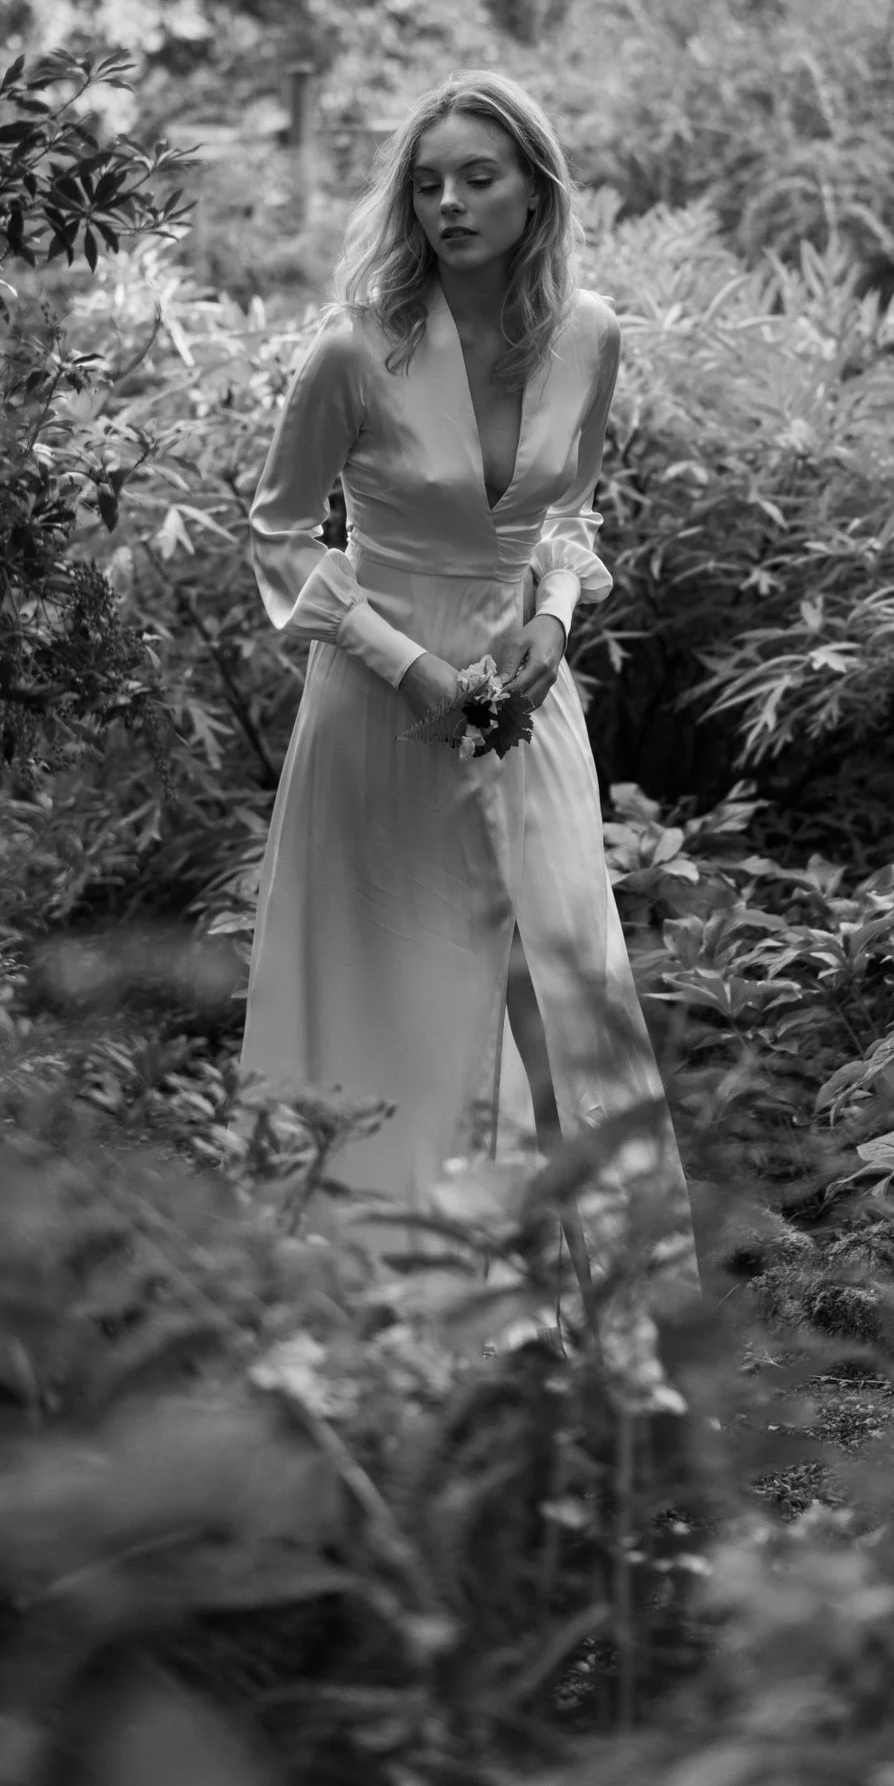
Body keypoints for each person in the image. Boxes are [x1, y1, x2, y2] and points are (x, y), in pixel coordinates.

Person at [238, 71, 687, 1259]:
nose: (448, 201)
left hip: (527, 705)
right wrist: (404, 667)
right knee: (405, 1000)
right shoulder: (353, 349)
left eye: (478, 176)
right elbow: (280, 528)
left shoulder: (589, 336)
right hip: (378, 713)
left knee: (554, 980)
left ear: (534, 194)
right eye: (427, 181)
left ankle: (594, 1308)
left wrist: (551, 625)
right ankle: (384, 1301)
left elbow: (567, 518)